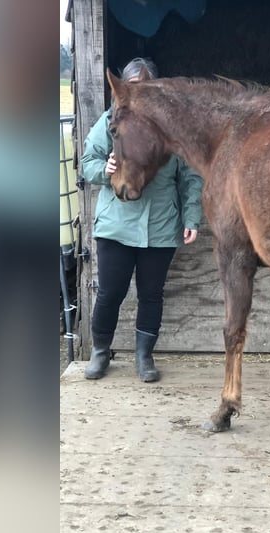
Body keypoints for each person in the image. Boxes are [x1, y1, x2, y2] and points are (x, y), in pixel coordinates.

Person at [80, 57, 203, 382]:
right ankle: (100, 352)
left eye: (145, 87)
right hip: (116, 226)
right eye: (132, 87)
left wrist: (192, 215)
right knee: (110, 292)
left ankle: (144, 357)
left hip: (160, 225)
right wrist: (104, 171)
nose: (138, 94)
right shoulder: (113, 120)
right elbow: (87, 162)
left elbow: (190, 176)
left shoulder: (172, 126)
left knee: (152, 294)